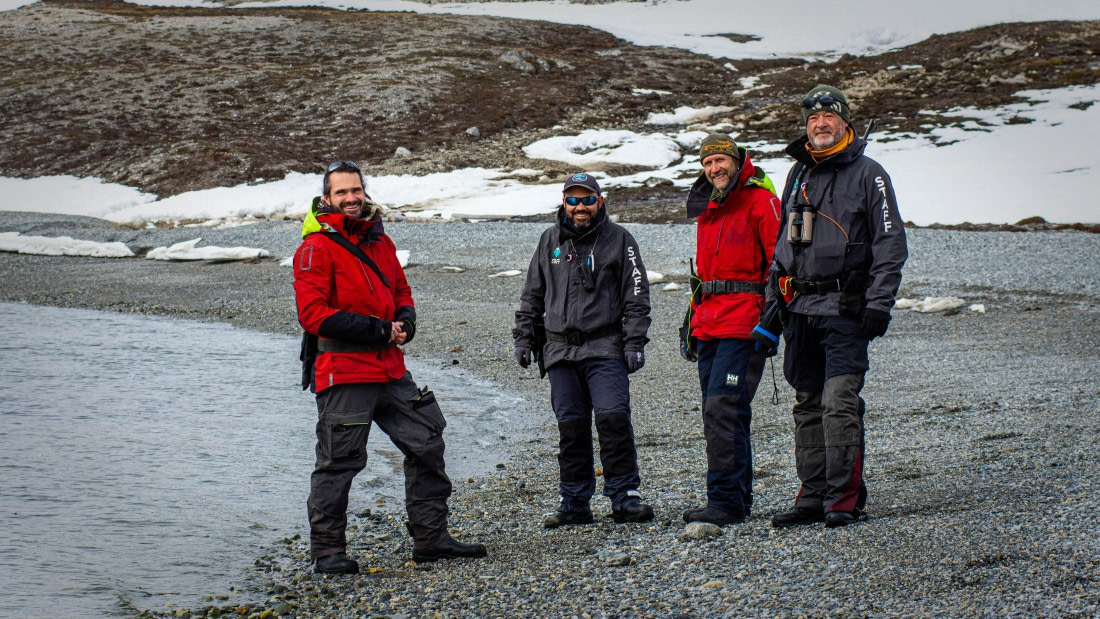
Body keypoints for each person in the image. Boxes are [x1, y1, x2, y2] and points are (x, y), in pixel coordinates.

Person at [293, 160, 487, 574]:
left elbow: (400, 289)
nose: (350, 198)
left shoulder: (380, 240)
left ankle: (431, 539)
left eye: (355, 191)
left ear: (364, 192)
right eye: (341, 192)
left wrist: (406, 323)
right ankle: (327, 552)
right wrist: (380, 329)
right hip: (343, 371)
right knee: (339, 463)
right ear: (326, 199)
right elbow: (313, 316)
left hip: (390, 369)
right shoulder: (315, 247)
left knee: (428, 442)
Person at [768, 85, 908, 528]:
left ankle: (844, 499)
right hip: (801, 309)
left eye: (828, 117)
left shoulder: (871, 174)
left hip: (847, 307)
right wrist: (774, 302)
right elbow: (782, 243)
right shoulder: (798, 173)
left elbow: (891, 244)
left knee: (838, 402)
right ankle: (812, 494)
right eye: (812, 119)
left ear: (845, 122)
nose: (820, 124)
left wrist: (879, 303)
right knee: (806, 402)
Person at [513, 173, 654, 528]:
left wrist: (635, 342)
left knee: (613, 420)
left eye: (587, 199)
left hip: (606, 348)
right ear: (564, 203)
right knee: (571, 428)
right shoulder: (549, 241)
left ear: (600, 201)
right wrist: (524, 337)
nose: (580, 207)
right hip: (560, 351)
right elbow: (532, 294)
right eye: (573, 200)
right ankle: (575, 502)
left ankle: (625, 497)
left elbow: (636, 297)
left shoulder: (620, 240)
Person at [679, 134, 782, 526]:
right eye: (708, 163)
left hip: (745, 322)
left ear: (738, 162)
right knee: (723, 412)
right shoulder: (709, 208)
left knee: (723, 407)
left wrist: (772, 322)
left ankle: (723, 499)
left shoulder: (761, 202)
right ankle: (735, 499)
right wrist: (691, 320)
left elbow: (780, 264)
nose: (715, 169)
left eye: (721, 160)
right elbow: (705, 275)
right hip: (709, 323)